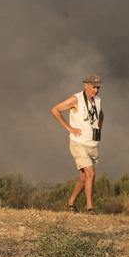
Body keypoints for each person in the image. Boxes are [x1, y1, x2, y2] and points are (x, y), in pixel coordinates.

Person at [49, 73, 104, 213]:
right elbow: (55, 110)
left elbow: (101, 114)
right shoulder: (76, 99)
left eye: (98, 87)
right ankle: (90, 207)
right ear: (85, 86)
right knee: (91, 174)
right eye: (93, 87)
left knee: (83, 176)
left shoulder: (98, 100)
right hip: (78, 143)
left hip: (92, 144)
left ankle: (71, 202)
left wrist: (99, 128)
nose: (96, 90)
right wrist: (69, 128)